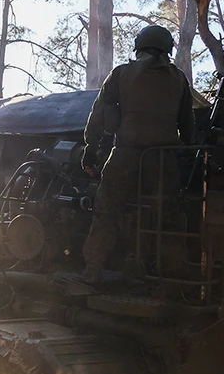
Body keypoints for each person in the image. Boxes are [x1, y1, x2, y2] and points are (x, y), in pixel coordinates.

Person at [81, 25, 194, 283]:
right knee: (169, 218)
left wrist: (90, 147)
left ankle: (93, 270)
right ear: (167, 49)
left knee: (105, 211)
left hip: (126, 155)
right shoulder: (178, 79)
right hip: (164, 159)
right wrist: (186, 155)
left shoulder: (121, 74)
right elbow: (188, 123)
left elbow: (99, 113)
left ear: (139, 46)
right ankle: (175, 278)